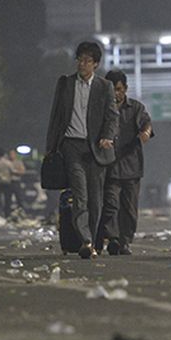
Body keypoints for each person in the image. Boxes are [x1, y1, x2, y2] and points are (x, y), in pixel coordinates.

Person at [44, 40, 119, 259]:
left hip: (95, 148)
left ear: (95, 64)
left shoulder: (104, 87)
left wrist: (107, 136)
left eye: (87, 61)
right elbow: (56, 116)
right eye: (80, 59)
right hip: (71, 146)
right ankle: (85, 240)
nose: (82, 64)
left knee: (96, 200)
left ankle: (94, 241)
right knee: (80, 195)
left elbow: (112, 116)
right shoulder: (65, 84)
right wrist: (51, 147)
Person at [99, 69, 153, 255]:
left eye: (119, 89)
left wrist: (145, 132)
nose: (116, 94)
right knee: (111, 204)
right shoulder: (100, 109)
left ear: (125, 89)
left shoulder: (135, 108)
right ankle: (112, 238)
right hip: (109, 167)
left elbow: (146, 122)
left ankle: (125, 241)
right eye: (112, 90)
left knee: (129, 208)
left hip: (131, 166)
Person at [0, 148, 27, 217]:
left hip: (13, 182)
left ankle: (18, 213)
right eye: (10, 154)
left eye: (12, 154)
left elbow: (22, 171)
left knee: (17, 198)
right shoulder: (7, 163)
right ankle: (7, 214)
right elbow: (13, 171)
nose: (11, 155)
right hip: (8, 182)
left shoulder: (17, 162)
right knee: (7, 199)